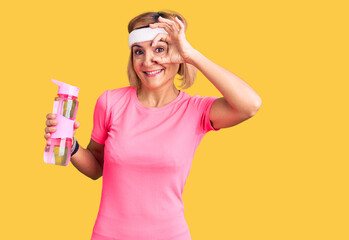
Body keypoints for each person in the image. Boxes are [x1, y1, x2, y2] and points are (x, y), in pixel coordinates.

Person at [44, 10, 261, 240]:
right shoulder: (110, 102)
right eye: (139, 52)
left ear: (178, 54)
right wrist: (70, 144)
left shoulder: (195, 111)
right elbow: (97, 167)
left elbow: (250, 104)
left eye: (159, 49)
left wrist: (192, 55)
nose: (148, 61)